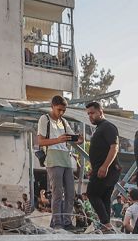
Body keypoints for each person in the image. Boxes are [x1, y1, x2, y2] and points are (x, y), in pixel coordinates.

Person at [37, 96, 78, 229]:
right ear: (52, 106)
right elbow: (41, 141)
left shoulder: (64, 122)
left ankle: (67, 221)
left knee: (71, 193)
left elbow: (72, 138)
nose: (61, 113)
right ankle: (57, 222)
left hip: (66, 158)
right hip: (53, 158)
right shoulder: (45, 119)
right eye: (59, 109)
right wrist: (58, 140)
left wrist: (78, 139)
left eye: (63, 110)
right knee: (57, 193)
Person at [84, 101, 120, 231]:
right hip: (102, 169)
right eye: (88, 114)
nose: (90, 116)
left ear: (100, 112)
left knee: (92, 194)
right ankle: (107, 225)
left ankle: (106, 224)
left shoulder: (108, 126)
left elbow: (114, 147)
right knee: (104, 198)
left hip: (107, 170)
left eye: (92, 113)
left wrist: (104, 166)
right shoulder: (100, 128)